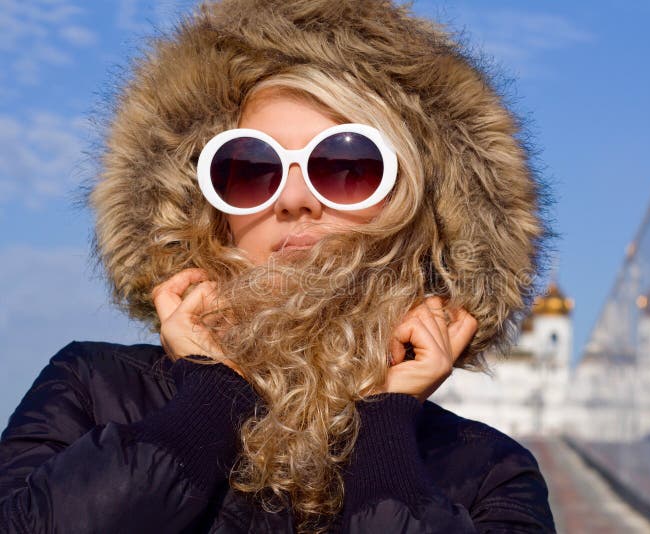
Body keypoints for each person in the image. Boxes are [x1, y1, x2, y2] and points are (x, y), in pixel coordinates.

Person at [0, 0, 557, 532]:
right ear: (209, 208)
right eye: (250, 167)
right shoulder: (92, 388)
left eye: (346, 165)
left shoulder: (489, 472)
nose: (293, 199)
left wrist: (385, 424)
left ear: (420, 206)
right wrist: (209, 399)